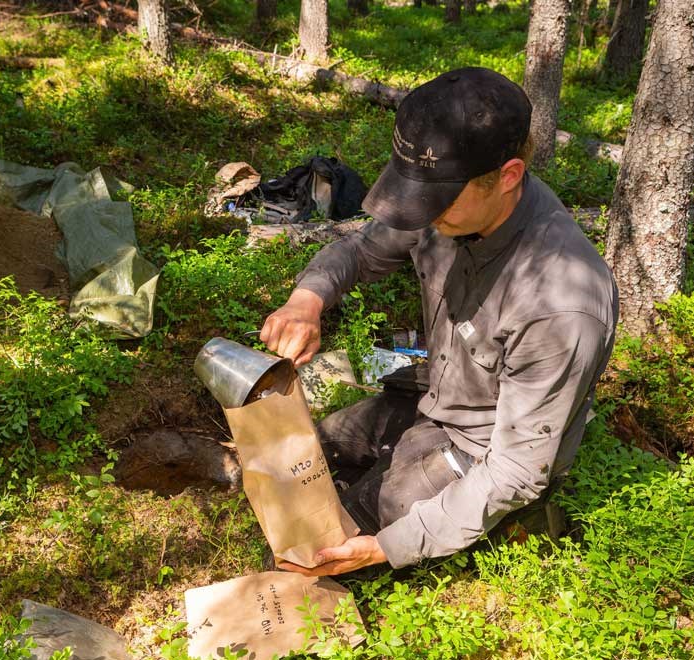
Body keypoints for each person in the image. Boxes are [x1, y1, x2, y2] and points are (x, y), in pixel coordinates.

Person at [260, 67, 619, 576]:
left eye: (437, 199)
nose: (422, 215)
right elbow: (363, 251)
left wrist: (389, 546)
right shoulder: (449, 209)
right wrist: (306, 301)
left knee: (329, 548)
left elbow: (515, 469)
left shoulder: (560, 305)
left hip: (483, 448)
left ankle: (510, 525)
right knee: (300, 459)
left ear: (508, 176)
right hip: (431, 398)